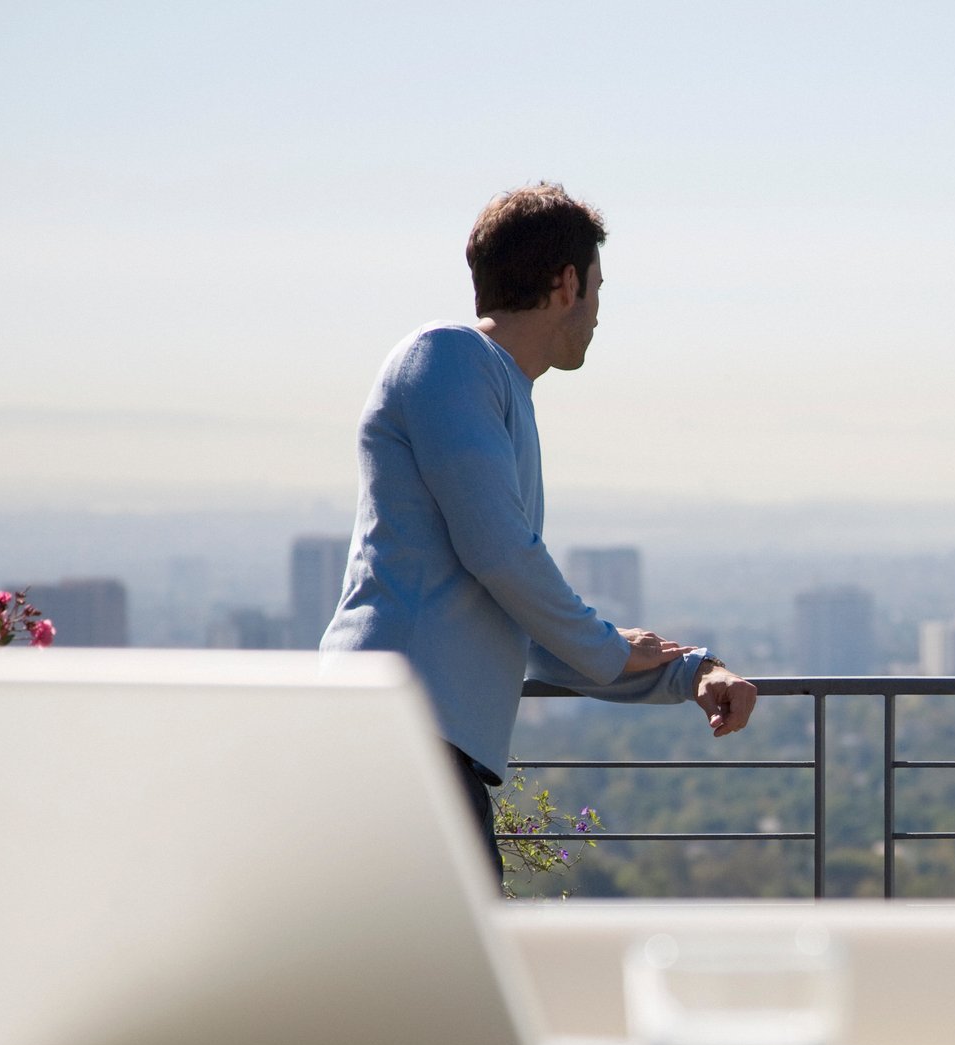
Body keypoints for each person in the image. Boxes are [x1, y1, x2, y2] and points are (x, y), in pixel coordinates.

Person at [322, 183, 757, 870]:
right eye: (598, 289)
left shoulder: (495, 389)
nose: (597, 314)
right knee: (444, 971)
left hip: (422, 743)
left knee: (431, 971)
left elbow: (520, 610)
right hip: (392, 735)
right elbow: (503, 558)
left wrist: (689, 673)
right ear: (566, 285)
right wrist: (614, 646)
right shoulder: (446, 357)